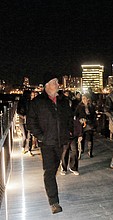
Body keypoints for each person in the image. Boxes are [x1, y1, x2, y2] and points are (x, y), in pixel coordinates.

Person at [27, 73, 73, 214]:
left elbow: (69, 117)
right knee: (49, 171)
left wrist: (70, 132)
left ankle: (53, 196)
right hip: (47, 143)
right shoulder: (37, 102)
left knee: (54, 168)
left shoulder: (63, 101)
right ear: (47, 85)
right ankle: (54, 202)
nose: (58, 85)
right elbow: (31, 122)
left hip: (61, 142)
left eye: (58, 82)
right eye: (55, 82)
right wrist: (41, 137)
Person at [75, 93, 96, 158]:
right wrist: (79, 120)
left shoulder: (91, 106)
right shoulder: (79, 106)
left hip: (89, 124)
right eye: (82, 99)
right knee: (82, 137)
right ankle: (81, 150)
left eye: (84, 98)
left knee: (90, 137)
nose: (83, 100)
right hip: (81, 124)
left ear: (88, 99)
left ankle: (90, 151)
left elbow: (93, 115)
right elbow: (76, 114)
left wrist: (91, 120)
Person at [17, 90, 32, 155]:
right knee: (25, 136)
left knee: (29, 136)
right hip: (22, 121)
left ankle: (29, 150)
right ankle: (23, 147)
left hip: (29, 121)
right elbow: (18, 112)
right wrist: (23, 116)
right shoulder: (21, 102)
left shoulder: (30, 102)